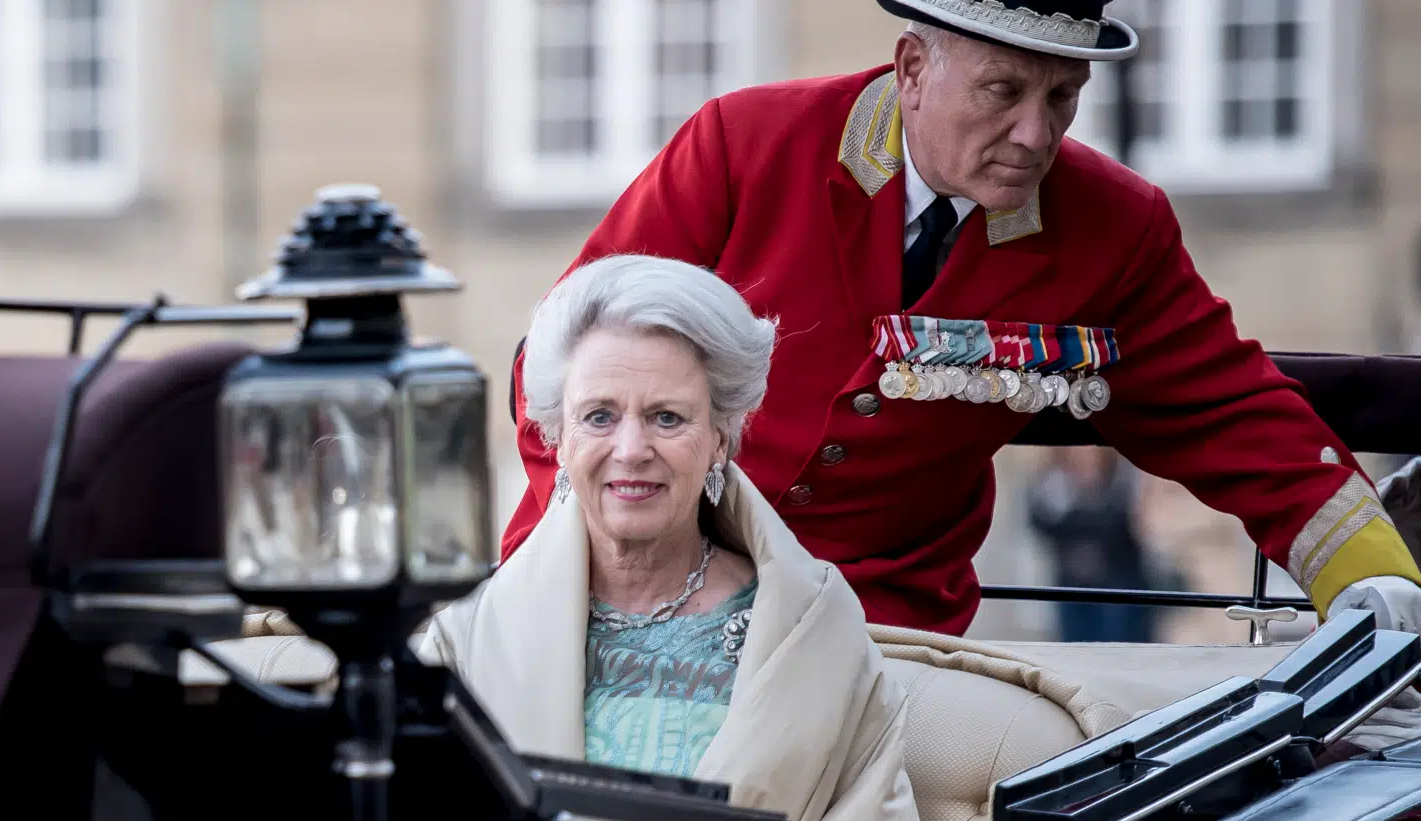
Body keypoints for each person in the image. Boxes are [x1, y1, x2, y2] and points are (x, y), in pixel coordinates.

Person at [501, 0, 1421, 642]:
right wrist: (610, 578)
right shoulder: (743, 147)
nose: (1036, 134)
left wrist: (1375, 578)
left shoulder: (1114, 225)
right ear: (911, 70)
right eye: (1002, 91)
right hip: (634, 589)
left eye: (1062, 97)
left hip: (883, 633)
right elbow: (564, 365)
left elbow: (1232, 414)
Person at [422, 254, 928, 821]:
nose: (631, 449)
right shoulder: (466, 638)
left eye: (667, 417)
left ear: (721, 437)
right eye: (599, 416)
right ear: (558, 437)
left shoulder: (816, 628)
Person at [1026, 448, 1159, 642]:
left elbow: (1135, 524)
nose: (1083, 454)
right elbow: (1040, 520)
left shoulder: (1123, 477)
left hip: (1119, 584)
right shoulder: (1055, 483)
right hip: (1072, 586)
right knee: (1075, 645)